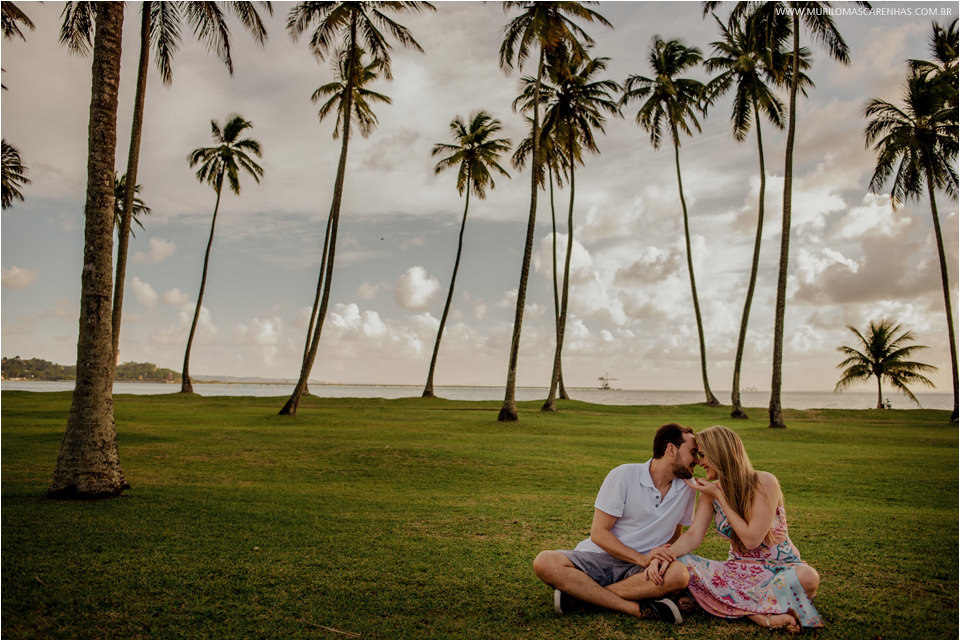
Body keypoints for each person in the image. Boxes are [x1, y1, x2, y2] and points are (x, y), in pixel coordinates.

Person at [643, 424, 822, 633]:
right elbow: (693, 536)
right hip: (739, 573)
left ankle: (742, 609)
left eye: (703, 455)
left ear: (719, 453)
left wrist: (720, 495)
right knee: (683, 564)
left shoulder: (764, 482)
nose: (700, 462)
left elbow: (751, 540)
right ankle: (760, 609)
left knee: (808, 577)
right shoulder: (710, 492)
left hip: (779, 569)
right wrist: (664, 556)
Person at [532, 423, 701, 623]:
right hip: (600, 558)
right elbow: (599, 533)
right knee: (545, 562)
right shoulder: (624, 475)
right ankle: (635, 608)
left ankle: (581, 597)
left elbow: (675, 533)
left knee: (679, 575)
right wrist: (641, 559)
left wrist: (659, 559)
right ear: (671, 449)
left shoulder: (688, 489)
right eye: (693, 453)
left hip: (642, 572)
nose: (697, 460)